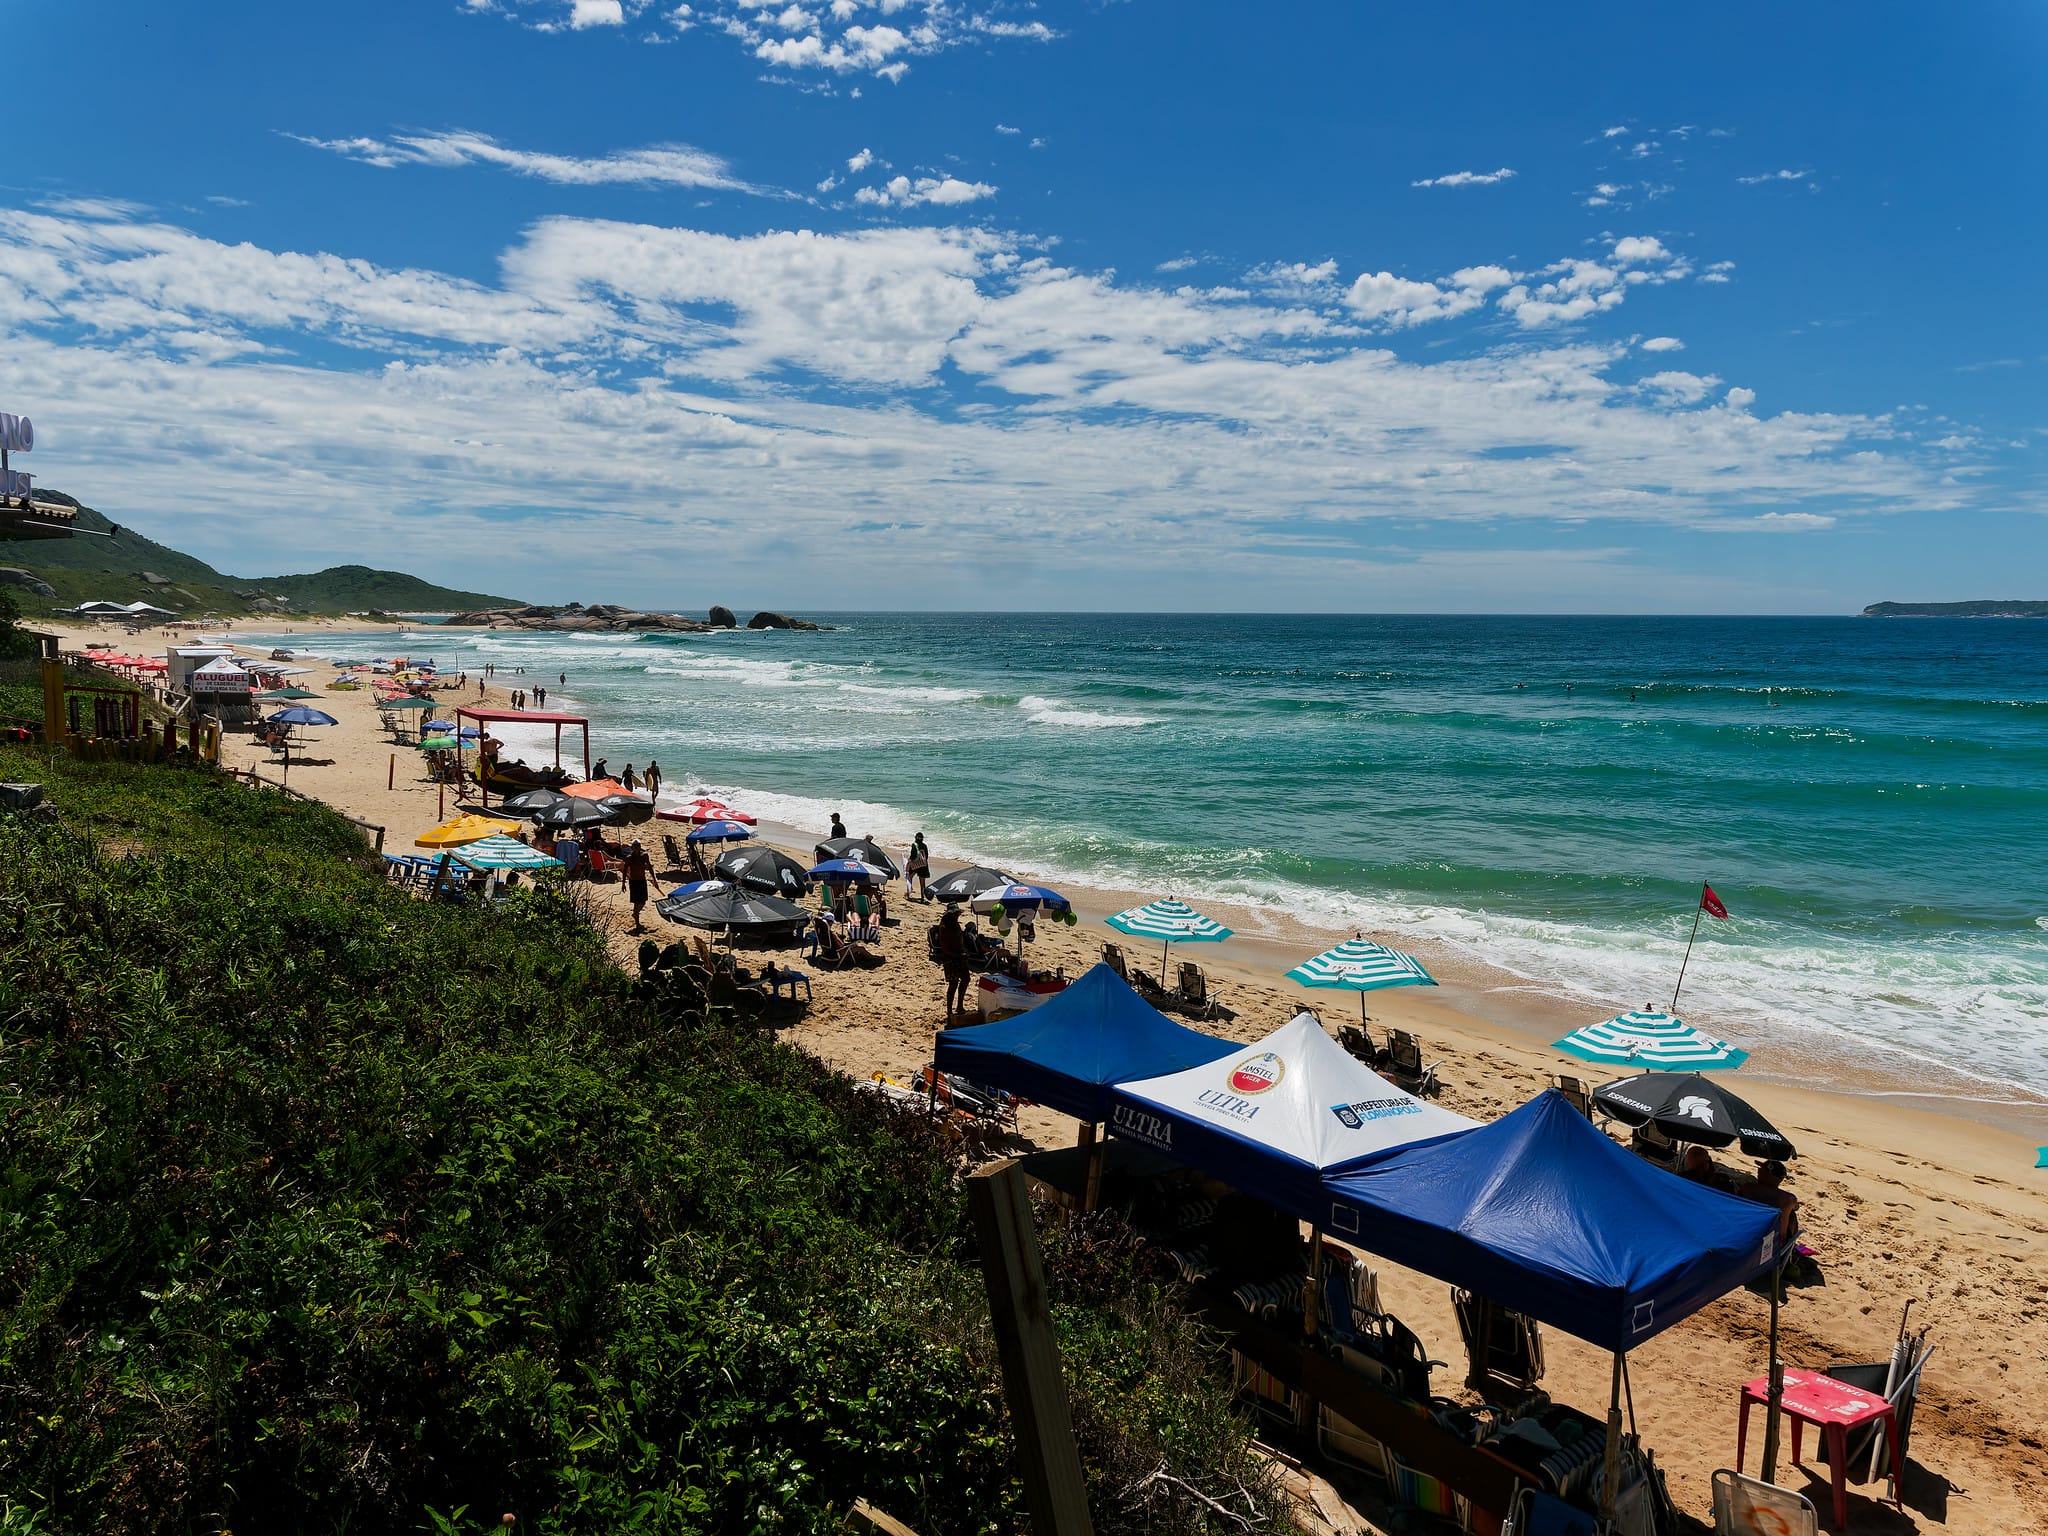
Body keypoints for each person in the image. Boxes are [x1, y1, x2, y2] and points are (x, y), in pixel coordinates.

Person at [1748, 1159, 1801, 1240]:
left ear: (1769, 1175)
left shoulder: (1748, 1188)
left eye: (1761, 1170)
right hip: (1773, 1243)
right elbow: (1796, 1207)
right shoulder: (1788, 1199)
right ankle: (1790, 1246)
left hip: (1745, 1231)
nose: (1758, 1171)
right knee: (1792, 1214)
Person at [935, 906, 970, 1017]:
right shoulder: (944, 927)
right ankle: (949, 1010)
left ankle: (960, 1005)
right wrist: (958, 955)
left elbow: (960, 941)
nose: (957, 915)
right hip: (950, 959)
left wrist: (964, 952)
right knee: (953, 984)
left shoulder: (955, 924)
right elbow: (945, 949)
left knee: (966, 979)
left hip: (959, 956)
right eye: (956, 914)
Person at [622, 839, 658, 932]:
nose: (637, 848)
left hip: (642, 881)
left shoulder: (644, 856)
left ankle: (635, 913)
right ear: (632, 848)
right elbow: (625, 870)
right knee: (636, 903)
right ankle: (637, 923)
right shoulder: (629, 858)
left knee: (643, 901)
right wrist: (623, 883)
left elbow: (649, 867)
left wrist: (654, 879)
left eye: (639, 846)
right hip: (633, 882)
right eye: (635, 846)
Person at [906, 833, 931, 899]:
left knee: (909, 877)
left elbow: (913, 856)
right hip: (923, 865)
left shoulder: (914, 845)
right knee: (922, 882)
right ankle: (922, 896)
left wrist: (909, 863)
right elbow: (927, 856)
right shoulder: (925, 846)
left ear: (915, 838)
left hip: (915, 864)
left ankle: (908, 894)